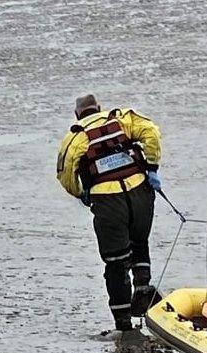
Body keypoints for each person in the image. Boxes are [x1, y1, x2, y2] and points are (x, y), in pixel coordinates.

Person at [56, 94, 163, 331]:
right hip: (139, 192)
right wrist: (152, 166)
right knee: (139, 241)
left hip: (107, 200)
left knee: (115, 261)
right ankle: (143, 288)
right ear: (99, 108)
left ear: (77, 114)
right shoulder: (122, 119)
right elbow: (152, 134)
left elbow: (65, 174)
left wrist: (82, 194)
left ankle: (123, 322)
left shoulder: (75, 137)